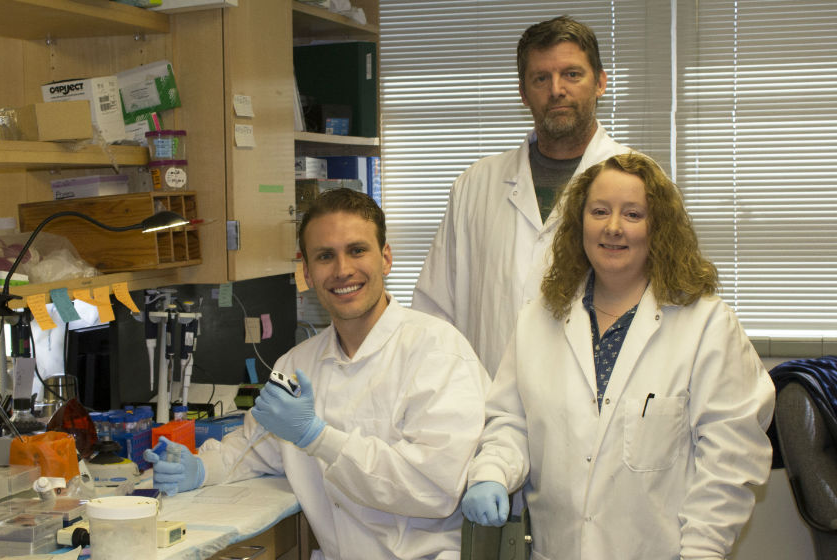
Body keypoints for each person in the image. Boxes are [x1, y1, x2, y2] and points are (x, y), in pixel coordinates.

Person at [460, 153, 775, 559]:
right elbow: (511, 422)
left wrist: (702, 550)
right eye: (599, 211)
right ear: (580, 223)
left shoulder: (706, 325)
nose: (613, 227)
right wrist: (492, 473)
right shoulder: (539, 320)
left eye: (632, 214)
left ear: (657, 227)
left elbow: (731, 460)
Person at [148, 188, 490, 560]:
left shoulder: (437, 351)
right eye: (326, 256)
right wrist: (200, 467)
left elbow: (434, 489)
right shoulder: (296, 365)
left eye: (357, 250)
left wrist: (317, 437)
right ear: (308, 274)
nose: (342, 270)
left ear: (386, 258)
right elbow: (253, 449)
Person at [413, 15, 634, 376]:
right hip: (488, 405)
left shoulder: (640, 182)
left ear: (601, 83)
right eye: (541, 78)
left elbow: (667, 305)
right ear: (523, 92)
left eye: (572, 74)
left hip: (599, 411)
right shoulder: (475, 185)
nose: (557, 89)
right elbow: (434, 313)